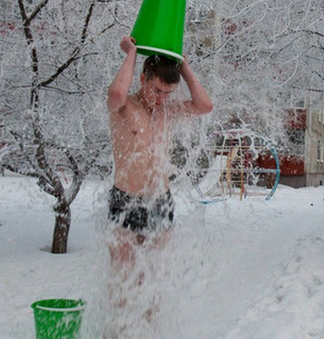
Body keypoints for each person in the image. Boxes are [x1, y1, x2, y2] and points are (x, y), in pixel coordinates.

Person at [104, 36, 212, 337]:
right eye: (155, 90)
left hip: (160, 203)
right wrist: (132, 53)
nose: (160, 98)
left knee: (152, 284)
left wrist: (185, 67)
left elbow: (205, 105)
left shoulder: (168, 111)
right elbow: (115, 92)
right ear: (142, 79)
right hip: (125, 201)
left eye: (167, 92)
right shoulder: (124, 108)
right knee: (123, 283)